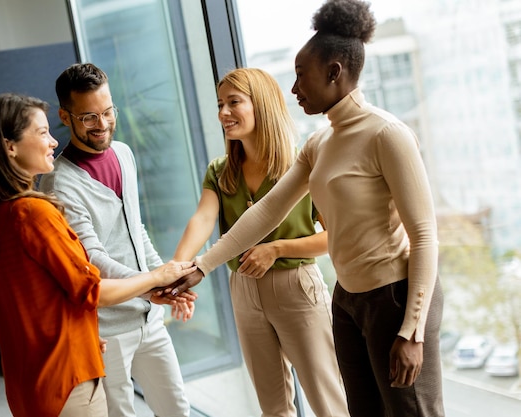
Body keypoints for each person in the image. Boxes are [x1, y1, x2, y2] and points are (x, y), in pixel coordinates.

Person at [172, 1, 445, 416]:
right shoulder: (319, 144)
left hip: (394, 297)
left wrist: (412, 331)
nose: (294, 89)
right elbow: (267, 211)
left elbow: (424, 235)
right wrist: (201, 267)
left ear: (334, 72)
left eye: (302, 75)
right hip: (347, 299)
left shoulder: (387, 134)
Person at [0, 93, 196, 417]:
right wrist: (158, 277)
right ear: (10, 146)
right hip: (66, 379)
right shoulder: (34, 213)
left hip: (31, 383)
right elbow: (92, 289)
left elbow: (40, 301)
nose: (53, 141)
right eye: (42, 132)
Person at [172, 68, 349, 417]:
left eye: (233, 102)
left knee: (328, 401)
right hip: (243, 289)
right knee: (273, 407)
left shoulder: (303, 166)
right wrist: (175, 270)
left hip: (296, 287)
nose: (223, 113)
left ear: (262, 105)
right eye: (220, 104)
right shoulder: (221, 171)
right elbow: (203, 219)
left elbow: (335, 237)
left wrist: (278, 248)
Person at [38, 63, 194, 417]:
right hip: (106, 328)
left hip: (149, 317)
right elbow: (93, 259)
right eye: (90, 116)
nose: (103, 124)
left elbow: (136, 231)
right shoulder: (59, 184)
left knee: (177, 410)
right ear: (66, 115)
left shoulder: (123, 153)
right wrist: (153, 283)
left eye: (108, 111)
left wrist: (168, 287)